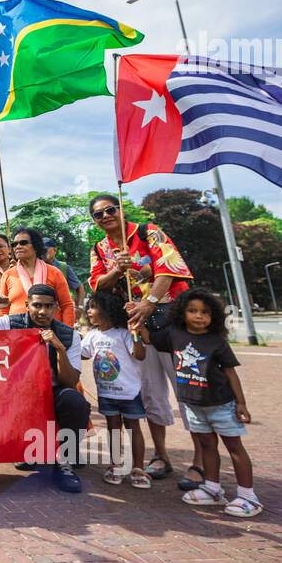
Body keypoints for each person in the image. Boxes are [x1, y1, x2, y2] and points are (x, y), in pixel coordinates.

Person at [87, 193, 195, 485]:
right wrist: (117, 270)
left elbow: (170, 269)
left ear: (120, 209)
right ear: (95, 221)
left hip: (172, 321)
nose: (106, 216)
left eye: (110, 210)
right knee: (151, 393)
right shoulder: (99, 249)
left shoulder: (149, 232)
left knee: (187, 389)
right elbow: (97, 284)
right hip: (137, 328)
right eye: (98, 214)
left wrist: (150, 300)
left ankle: (200, 461)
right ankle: (161, 455)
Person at [143, 288, 262, 517]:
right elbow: (151, 341)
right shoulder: (174, 335)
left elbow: (230, 373)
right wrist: (137, 321)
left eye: (205, 312)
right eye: (193, 311)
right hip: (194, 405)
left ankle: (248, 495)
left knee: (234, 447)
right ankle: (212, 488)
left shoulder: (216, 341)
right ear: (181, 313)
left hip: (220, 403)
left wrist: (241, 403)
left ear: (214, 316)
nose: (199, 316)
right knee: (207, 445)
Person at [0, 284, 89, 493]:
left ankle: (64, 462)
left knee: (75, 401)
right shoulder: (11, 322)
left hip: (52, 392)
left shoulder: (69, 335)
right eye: (37, 305)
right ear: (27, 305)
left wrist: (60, 349)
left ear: (56, 309)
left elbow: (70, 382)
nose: (42, 312)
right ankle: (27, 451)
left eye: (48, 306)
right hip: (17, 394)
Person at [82, 291, 149, 489]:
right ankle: (116, 464)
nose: (89, 311)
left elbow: (140, 355)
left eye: (93, 307)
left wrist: (136, 334)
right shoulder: (92, 336)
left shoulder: (124, 333)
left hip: (129, 392)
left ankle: (138, 467)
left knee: (132, 428)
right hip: (107, 393)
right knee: (113, 428)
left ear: (107, 311)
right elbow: (83, 354)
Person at [0, 227, 76, 324]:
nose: (18, 246)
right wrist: (6, 335)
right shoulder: (8, 275)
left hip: (50, 333)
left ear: (36, 246)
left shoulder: (54, 272)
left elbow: (66, 305)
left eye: (23, 243)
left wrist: (66, 333)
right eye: (14, 244)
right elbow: (3, 309)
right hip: (17, 334)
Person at [46, 244, 86, 316]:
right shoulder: (35, 266)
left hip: (60, 311)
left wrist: (80, 307)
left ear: (55, 250)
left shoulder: (63, 267)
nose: (44, 252)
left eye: (46, 249)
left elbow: (79, 287)